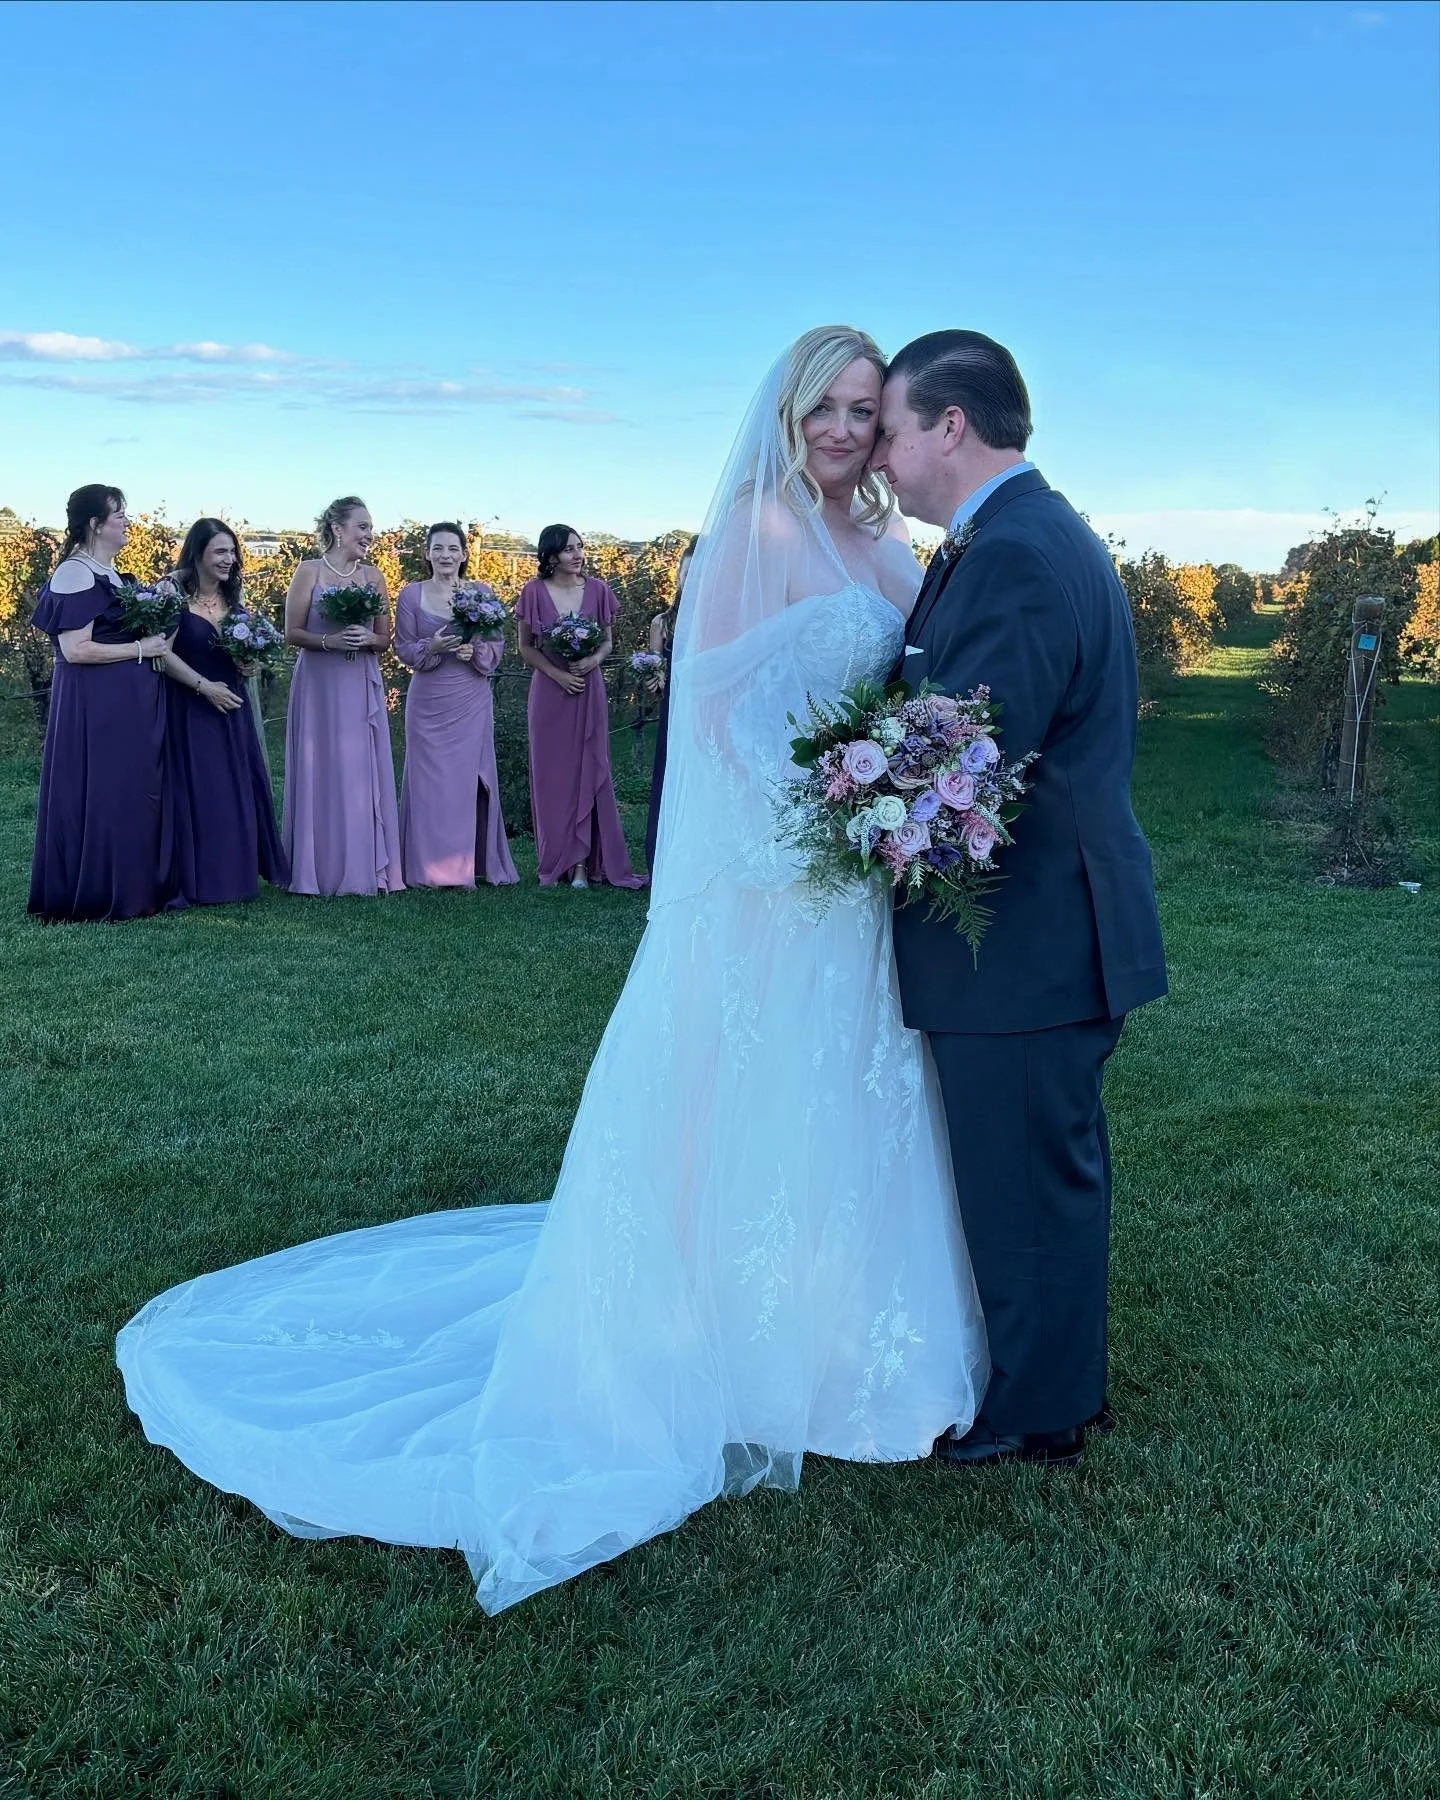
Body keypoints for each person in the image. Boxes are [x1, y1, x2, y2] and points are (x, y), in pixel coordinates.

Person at [115, 327, 988, 1615]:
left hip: (859, 880)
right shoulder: (753, 530)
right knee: (757, 1086)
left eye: (867, 411)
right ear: (791, 412)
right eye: (828, 409)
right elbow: (719, 720)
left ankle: (852, 1336)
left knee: (855, 1090)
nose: (848, 431)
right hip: (773, 877)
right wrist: (809, 829)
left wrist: (897, 801)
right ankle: (733, 1341)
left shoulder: (895, 548)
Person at [872, 329, 1168, 1467]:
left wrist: (850, 788)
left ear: (951, 424)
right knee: (1034, 1167)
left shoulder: (1013, 552)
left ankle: (1041, 1412)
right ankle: (1051, 1385)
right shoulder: (1014, 534)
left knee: (1030, 1179)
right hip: (1049, 930)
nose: (882, 456)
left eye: (893, 429)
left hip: (1036, 933)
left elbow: (966, 755)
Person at [28, 485, 179, 922]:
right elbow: (77, 650)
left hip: (126, 701)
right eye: (119, 515)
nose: (127, 522)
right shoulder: (75, 573)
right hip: (96, 704)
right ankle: (97, 890)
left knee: (126, 791)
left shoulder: (111, 573)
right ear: (95, 524)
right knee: (104, 789)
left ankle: (132, 886)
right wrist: (139, 650)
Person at [160, 519, 288, 905]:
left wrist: (249, 664)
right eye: (220, 552)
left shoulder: (235, 597)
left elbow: (241, 650)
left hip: (232, 704)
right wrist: (203, 687)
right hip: (189, 704)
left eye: (232, 552)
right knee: (203, 791)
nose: (228, 560)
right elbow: (159, 653)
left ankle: (235, 876)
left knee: (236, 790)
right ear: (198, 553)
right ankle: (199, 880)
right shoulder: (173, 592)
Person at [280, 497, 404, 897]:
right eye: (363, 527)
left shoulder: (374, 577)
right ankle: (315, 869)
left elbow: (387, 638)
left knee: (359, 770)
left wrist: (371, 639)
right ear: (337, 529)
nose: (370, 534)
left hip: (358, 682)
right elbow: (292, 633)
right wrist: (329, 641)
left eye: (370, 527)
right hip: (319, 682)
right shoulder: (309, 571)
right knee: (320, 766)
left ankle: (363, 866)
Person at [514, 526, 646, 889]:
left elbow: (607, 641)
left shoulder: (599, 590)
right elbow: (525, 649)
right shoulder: (533, 592)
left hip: (588, 689)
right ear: (551, 555)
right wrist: (558, 675)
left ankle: (583, 867)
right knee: (552, 777)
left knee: (591, 769)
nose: (578, 554)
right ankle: (556, 861)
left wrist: (592, 663)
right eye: (569, 549)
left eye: (580, 547)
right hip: (550, 693)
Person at [393, 523, 517, 889]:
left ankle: (465, 866)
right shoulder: (410, 596)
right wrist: (431, 648)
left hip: (469, 696)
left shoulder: (482, 593)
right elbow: (403, 648)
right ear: (426, 553)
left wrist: (473, 651)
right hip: (428, 698)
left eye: (452, 548)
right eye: (438, 548)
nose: (445, 555)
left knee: (466, 783)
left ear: (464, 554)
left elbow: (495, 646)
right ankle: (426, 868)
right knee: (428, 783)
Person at [643, 535, 696, 875]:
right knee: (669, 773)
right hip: (673, 709)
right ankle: (661, 858)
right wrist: (654, 678)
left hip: (704, 711)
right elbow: (653, 665)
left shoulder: (719, 619)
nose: (690, 579)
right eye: (685, 571)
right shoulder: (662, 622)